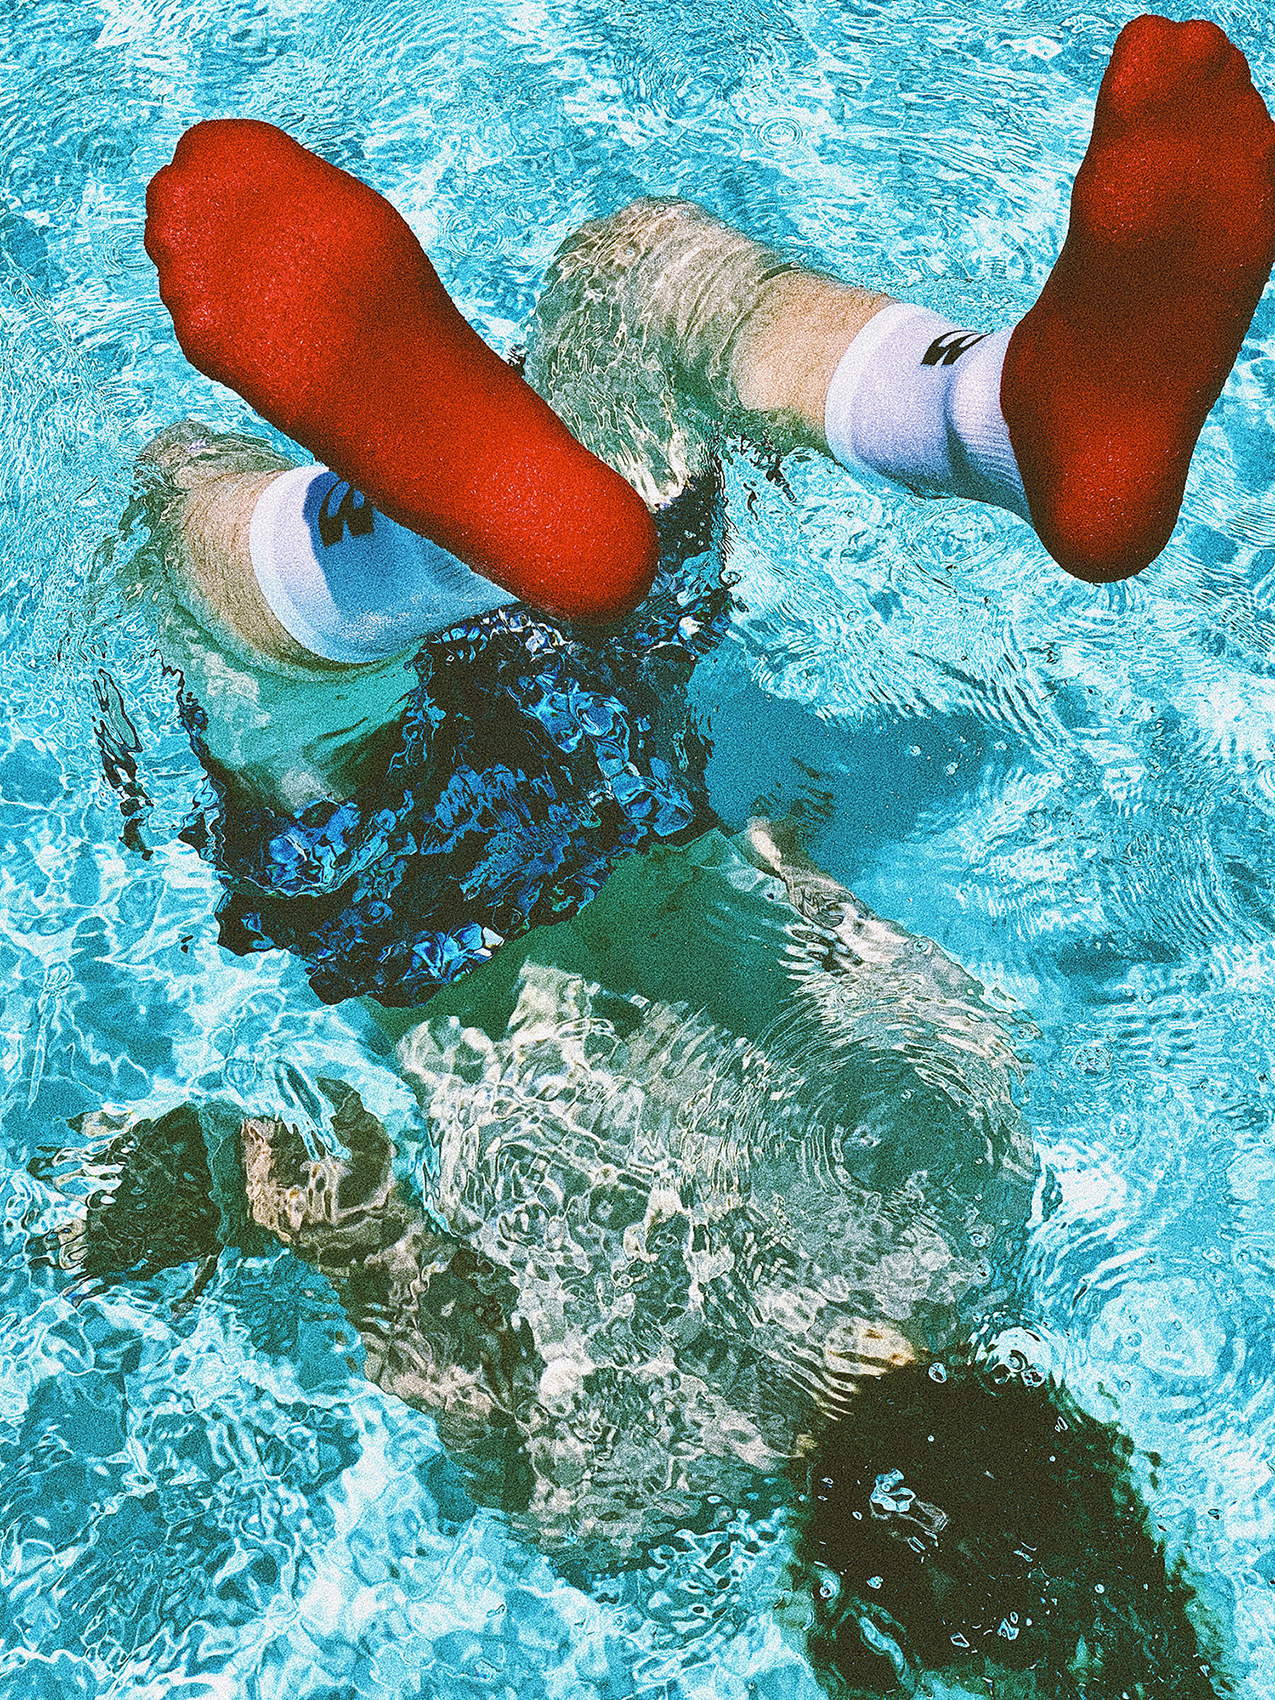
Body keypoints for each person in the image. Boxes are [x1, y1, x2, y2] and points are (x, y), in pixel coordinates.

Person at [73, 12, 1262, 1690]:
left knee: (640, 293)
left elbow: (818, 921)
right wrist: (198, 1201)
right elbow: (344, 1211)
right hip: (419, 923)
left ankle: (990, 418)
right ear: (842, 1644)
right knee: (188, 544)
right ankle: (393, 553)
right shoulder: (606, 1485)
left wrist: (773, 843)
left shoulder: (972, 1180)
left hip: (627, 782)